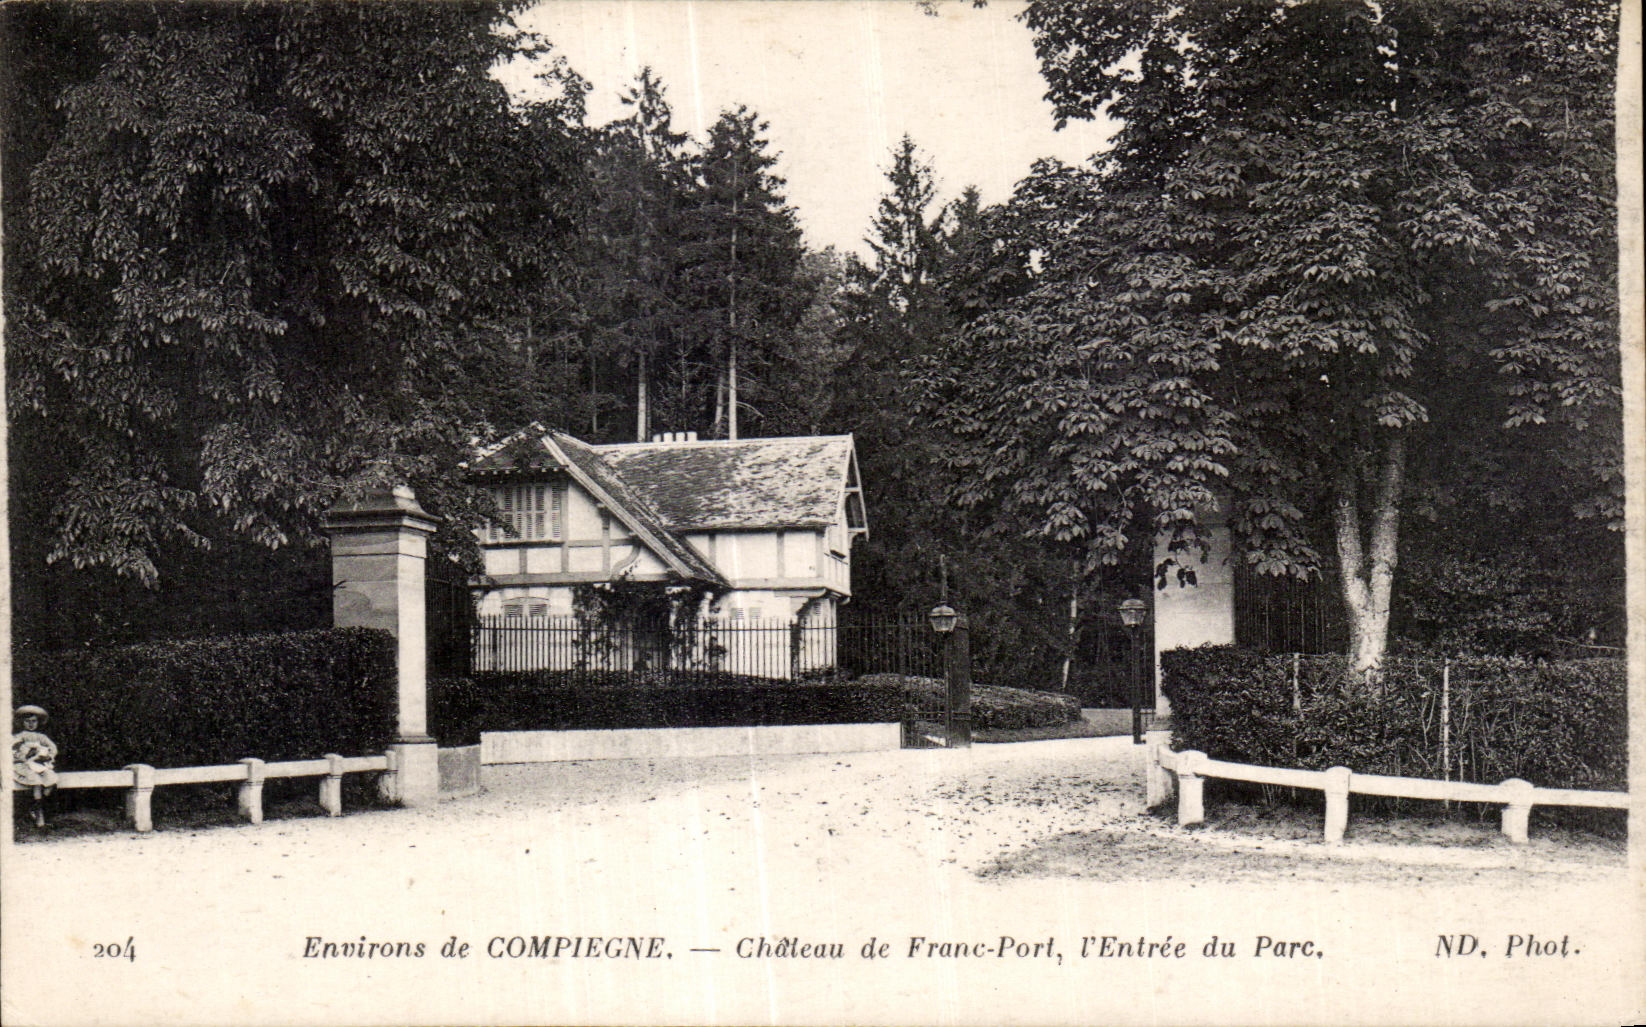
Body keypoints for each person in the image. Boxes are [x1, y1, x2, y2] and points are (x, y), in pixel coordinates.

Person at [13, 705, 59, 827]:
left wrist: (49, 755)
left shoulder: (41, 737)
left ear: (38, 722)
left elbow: (52, 747)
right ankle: (40, 815)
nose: (31, 724)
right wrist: (24, 754)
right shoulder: (20, 736)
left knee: (51, 780)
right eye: (27, 721)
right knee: (37, 783)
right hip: (24, 766)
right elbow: (14, 750)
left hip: (38, 765)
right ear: (22, 722)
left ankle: (34, 807)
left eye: (34, 721)